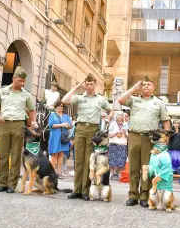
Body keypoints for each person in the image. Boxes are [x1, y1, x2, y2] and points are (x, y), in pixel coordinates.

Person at [118, 75, 170, 207]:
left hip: (150, 139)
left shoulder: (159, 103)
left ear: (154, 87)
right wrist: (134, 88)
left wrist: (165, 139)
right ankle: (133, 195)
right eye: (144, 84)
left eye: (149, 84)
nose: (146, 86)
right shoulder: (134, 100)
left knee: (147, 168)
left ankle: (144, 195)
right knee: (134, 167)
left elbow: (165, 121)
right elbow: (121, 99)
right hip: (134, 136)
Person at [62, 74, 113, 201]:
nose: (89, 86)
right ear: (85, 84)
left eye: (91, 84)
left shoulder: (100, 99)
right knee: (78, 160)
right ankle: (77, 190)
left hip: (92, 130)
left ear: (95, 84)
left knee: (88, 161)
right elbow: (64, 100)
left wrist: (108, 118)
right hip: (80, 129)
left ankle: (85, 190)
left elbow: (111, 110)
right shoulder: (79, 97)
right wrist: (77, 87)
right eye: (87, 84)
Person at [0, 67, 36, 194]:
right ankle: (2, 183)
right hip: (3, 124)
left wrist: (33, 121)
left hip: (18, 125)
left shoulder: (25, 94)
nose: (22, 84)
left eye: (23, 82)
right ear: (14, 79)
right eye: (20, 81)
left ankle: (12, 185)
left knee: (16, 156)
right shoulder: (3, 91)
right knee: (3, 156)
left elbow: (32, 109)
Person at [48, 101, 71, 177]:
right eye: (58, 106)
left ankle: (59, 173)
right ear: (55, 107)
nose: (60, 107)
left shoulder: (66, 116)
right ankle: (51, 173)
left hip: (63, 137)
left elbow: (70, 126)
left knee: (61, 155)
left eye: (61, 106)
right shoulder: (52, 115)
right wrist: (62, 125)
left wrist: (67, 125)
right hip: (55, 136)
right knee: (54, 154)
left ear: (63, 108)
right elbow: (51, 125)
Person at [108, 113, 128, 179]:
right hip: (113, 143)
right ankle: (112, 172)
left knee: (121, 160)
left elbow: (128, 137)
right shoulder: (112, 124)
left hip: (122, 144)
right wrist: (115, 133)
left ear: (123, 118)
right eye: (118, 117)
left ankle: (120, 173)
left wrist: (125, 133)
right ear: (116, 118)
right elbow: (109, 135)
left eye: (121, 117)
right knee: (112, 160)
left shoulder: (126, 125)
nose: (119, 119)